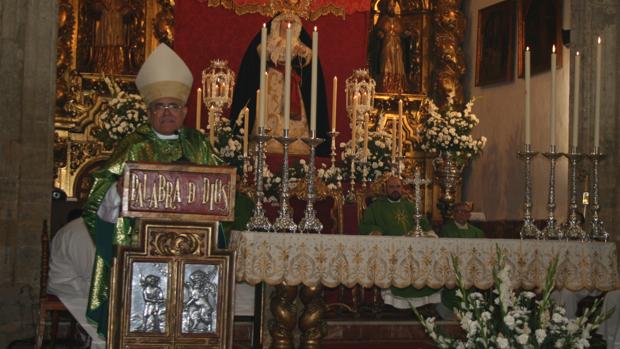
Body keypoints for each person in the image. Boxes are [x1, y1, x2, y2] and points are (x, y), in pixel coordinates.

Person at [83, 43, 221, 337]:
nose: (167, 112)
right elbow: (98, 199)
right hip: (141, 251)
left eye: (173, 106)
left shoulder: (198, 144)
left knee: (190, 325)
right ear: (149, 111)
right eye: (160, 106)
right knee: (144, 324)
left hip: (193, 253)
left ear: (185, 111)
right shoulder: (134, 145)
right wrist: (118, 191)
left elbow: (222, 191)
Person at [229, 12, 330, 156]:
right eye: (284, 21)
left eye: (291, 22)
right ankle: (267, 142)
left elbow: (308, 54)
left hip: (291, 83)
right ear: (278, 23)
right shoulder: (271, 40)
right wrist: (274, 50)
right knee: (268, 110)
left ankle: (295, 145)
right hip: (272, 80)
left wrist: (302, 52)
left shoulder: (296, 42)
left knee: (291, 113)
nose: (288, 24)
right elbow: (260, 50)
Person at [358, 175, 440, 309]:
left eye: (397, 186)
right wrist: (375, 231)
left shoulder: (410, 206)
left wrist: (430, 234)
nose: (395, 189)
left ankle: (421, 303)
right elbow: (365, 225)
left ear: (402, 188)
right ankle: (393, 302)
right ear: (385, 189)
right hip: (390, 251)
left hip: (414, 249)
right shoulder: (376, 207)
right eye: (391, 187)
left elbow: (425, 226)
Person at [47, 210, 105, 348]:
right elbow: (91, 271)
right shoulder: (82, 231)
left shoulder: (84, 226)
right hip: (68, 286)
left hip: (78, 282)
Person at [438, 202, 485, 319]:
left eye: (465, 211)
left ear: (469, 215)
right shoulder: (446, 230)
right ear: (454, 214)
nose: (462, 214)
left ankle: (471, 315)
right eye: (459, 211)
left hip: (472, 272)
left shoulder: (478, 233)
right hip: (453, 271)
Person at [375, 0, 409, 93]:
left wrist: (406, 34)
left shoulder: (399, 20)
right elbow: (377, 32)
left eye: (393, 6)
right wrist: (380, 34)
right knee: (386, 62)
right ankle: (385, 87)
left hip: (397, 46)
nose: (392, 8)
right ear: (386, 7)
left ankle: (398, 88)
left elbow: (403, 32)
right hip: (386, 44)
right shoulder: (383, 20)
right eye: (390, 6)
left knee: (398, 64)